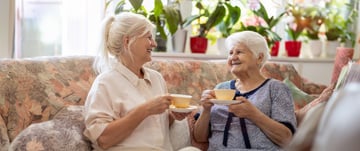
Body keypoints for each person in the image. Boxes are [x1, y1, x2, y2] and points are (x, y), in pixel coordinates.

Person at [83, 12, 196, 151]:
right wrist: (146, 109)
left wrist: (173, 116)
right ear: (127, 41)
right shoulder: (105, 83)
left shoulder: (156, 78)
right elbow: (103, 140)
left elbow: (154, 130)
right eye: (149, 37)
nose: (154, 44)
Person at [193, 31, 297, 150]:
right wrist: (206, 110)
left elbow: (287, 139)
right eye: (230, 53)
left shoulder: (276, 89)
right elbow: (199, 138)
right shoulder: (220, 89)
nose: (233, 57)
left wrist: (253, 114)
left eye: (239, 52)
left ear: (259, 57)